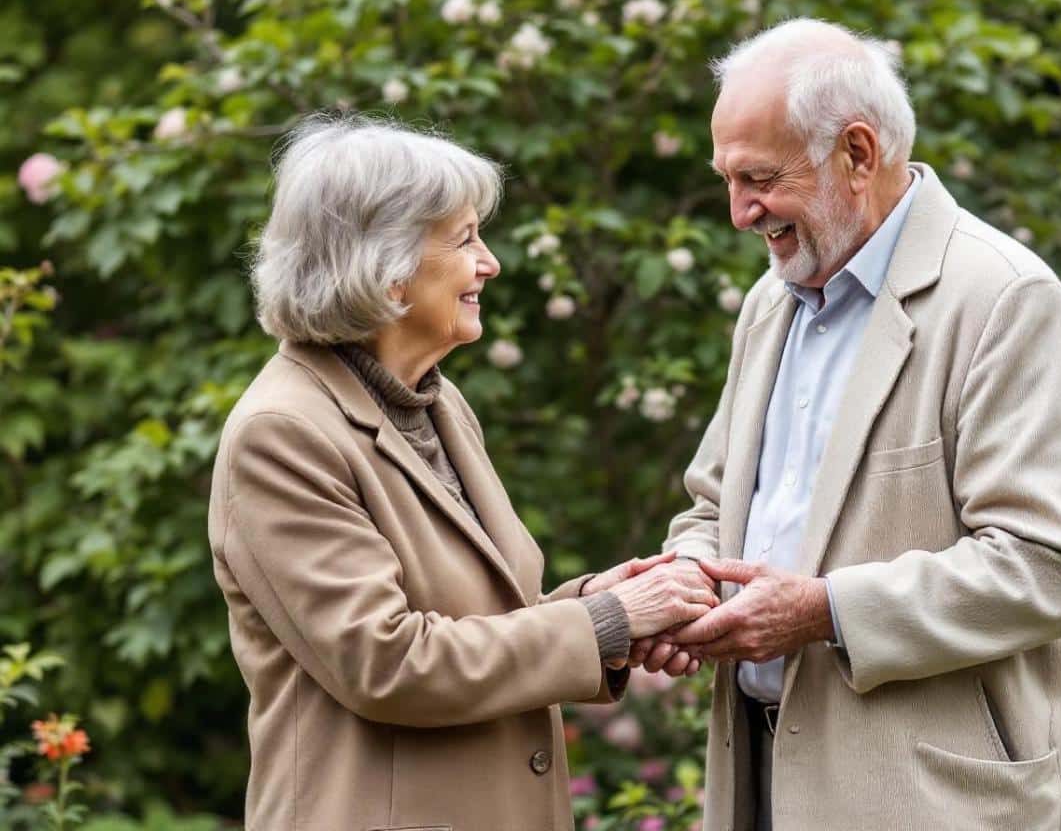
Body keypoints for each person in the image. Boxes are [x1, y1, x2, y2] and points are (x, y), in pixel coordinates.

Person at [643, 19, 1061, 830]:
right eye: (726, 181)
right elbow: (714, 503)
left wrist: (822, 609)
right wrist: (686, 580)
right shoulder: (771, 303)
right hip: (766, 780)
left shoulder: (1006, 299)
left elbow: (1049, 564)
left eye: (759, 178)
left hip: (936, 805)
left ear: (859, 154)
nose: (738, 213)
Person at [206, 113, 715, 831]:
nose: (490, 263)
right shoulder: (283, 434)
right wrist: (602, 623)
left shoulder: (436, 401)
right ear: (383, 263)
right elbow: (388, 663)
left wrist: (600, 603)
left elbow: (482, 620)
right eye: (466, 238)